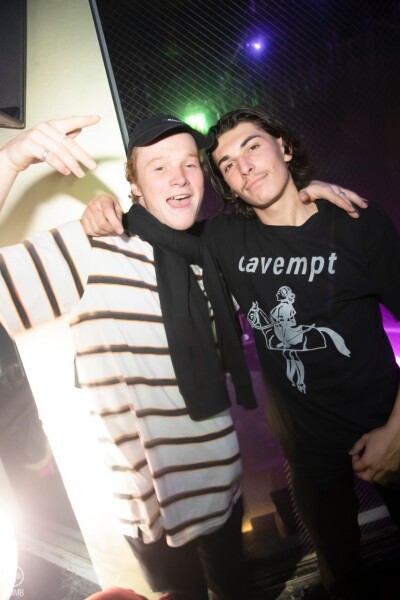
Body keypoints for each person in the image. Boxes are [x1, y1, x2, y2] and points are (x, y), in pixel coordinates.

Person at [83, 107, 400, 600]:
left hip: (389, 425)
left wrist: (397, 430)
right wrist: (106, 208)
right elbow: (157, 223)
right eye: (227, 164)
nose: (244, 165)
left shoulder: (356, 221)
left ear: (284, 147)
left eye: (252, 146)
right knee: (342, 579)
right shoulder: (225, 238)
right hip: (308, 454)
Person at [0, 114, 262, 600]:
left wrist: (308, 197)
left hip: (222, 485)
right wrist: (11, 159)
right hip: (149, 509)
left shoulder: (213, 256)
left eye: (189, 164)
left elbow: (285, 235)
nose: (179, 177)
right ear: (134, 186)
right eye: (159, 167)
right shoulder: (91, 248)